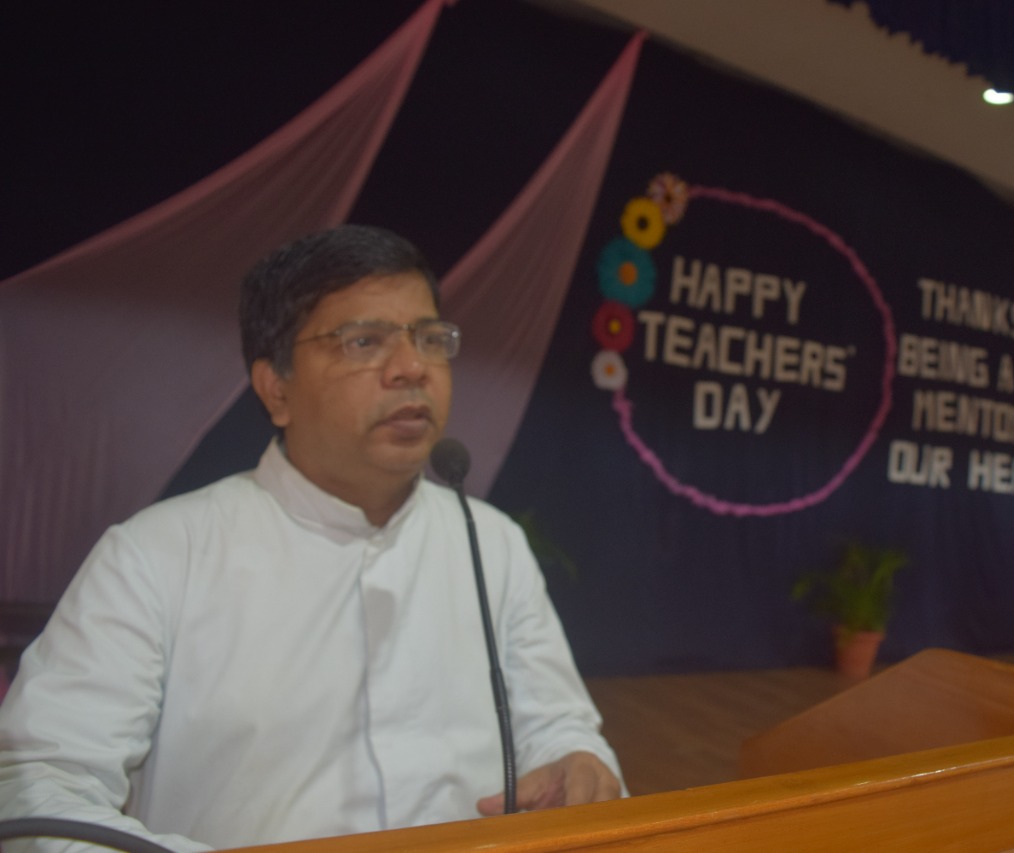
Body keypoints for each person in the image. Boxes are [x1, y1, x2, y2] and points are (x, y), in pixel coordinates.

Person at [0, 225, 623, 852]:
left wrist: (576, 764)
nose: (412, 368)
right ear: (277, 388)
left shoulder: (491, 542)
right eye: (364, 341)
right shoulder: (157, 557)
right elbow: (36, 791)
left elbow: (560, 726)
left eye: (430, 339)